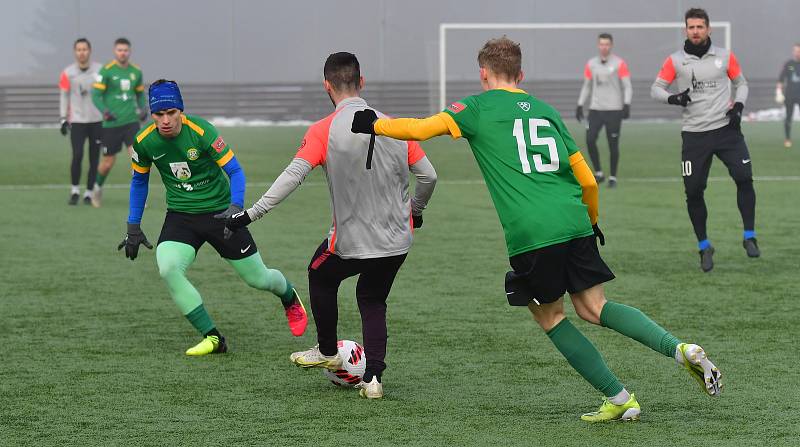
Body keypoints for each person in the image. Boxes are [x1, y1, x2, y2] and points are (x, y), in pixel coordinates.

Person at [350, 36, 720, 421]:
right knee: (596, 307)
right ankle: (680, 349)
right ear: (520, 74)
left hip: (532, 232)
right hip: (574, 219)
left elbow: (422, 129)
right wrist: (591, 221)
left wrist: (374, 124)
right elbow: (588, 182)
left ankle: (620, 396)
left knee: (550, 316)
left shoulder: (474, 107)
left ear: (483, 73)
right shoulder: (546, 110)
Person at [220, 52, 437, 399]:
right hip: (397, 241)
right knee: (372, 298)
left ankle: (326, 351)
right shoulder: (396, 126)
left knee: (319, 274)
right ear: (362, 82)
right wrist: (417, 210)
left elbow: (293, 176)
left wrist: (251, 213)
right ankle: (374, 379)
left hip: (350, 242)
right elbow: (429, 175)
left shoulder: (323, 129)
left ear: (327, 86)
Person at [118, 80, 308, 356]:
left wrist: (236, 207)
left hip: (221, 214)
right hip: (181, 217)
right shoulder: (145, 141)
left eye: (171, 112)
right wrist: (133, 225)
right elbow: (139, 182)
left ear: (180, 111)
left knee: (259, 279)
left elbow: (236, 172)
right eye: (159, 115)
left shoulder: (202, 131)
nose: (165, 120)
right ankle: (213, 337)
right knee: (168, 267)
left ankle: (289, 296)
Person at [651, 7, 759, 272]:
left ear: (709, 29)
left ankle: (749, 236)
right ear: (686, 30)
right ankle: (704, 246)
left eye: (700, 27)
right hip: (694, 135)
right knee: (694, 191)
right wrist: (674, 98)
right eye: (691, 27)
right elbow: (656, 89)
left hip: (726, 130)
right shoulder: (676, 61)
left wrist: (739, 106)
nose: (696, 31)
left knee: (744, 178)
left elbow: (742, 83)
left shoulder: (725, 57)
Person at [90, 37, 147, 207]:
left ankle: (138, 197)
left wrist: (143, 108)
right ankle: (97, 188)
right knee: (108, 163)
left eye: (126, 50)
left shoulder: (136, 71)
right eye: (120, 50)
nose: (123, 53)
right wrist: (105, 111)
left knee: (137, 159)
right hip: (112, 124)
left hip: (131, 122)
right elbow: (96, 95)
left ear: (130, 52)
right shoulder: (106, 71)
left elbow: (140, 94)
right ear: (115, 51)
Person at [576, 33, 632, 188]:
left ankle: (613, 176)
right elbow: (587, 85)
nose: (604, 47)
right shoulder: (591, 64)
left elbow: (627, 85)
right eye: (601, 44)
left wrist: (626, 104)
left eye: (607, 44)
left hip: (614, 109)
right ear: (598, 45)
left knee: (612, 143)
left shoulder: (619, 63)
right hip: (596, 109)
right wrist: (580, 104)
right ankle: (599, 173)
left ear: (611, 45)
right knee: (589, 139)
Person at [58, 37, 103, 205]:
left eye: (85, 49)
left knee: (94, 158)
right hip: (77, 121)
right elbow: (64, 96)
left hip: (97, 121)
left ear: (89, 51)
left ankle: (89, 193)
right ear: (75, 52)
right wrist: (63, 118)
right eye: (79, 49)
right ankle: (75, 190)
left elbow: (107, 93)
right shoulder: (67, 73)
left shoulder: (100, 71)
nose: (82, 52)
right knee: (77, 155)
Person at [777, 43, 800, 148]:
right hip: (790, 95)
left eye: (799, 51)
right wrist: (778, 92)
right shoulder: (789, 64)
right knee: (788, 117)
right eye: (796, 51)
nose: (797, 53)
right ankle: (787, 139)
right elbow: (781, 79)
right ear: (793, 52)